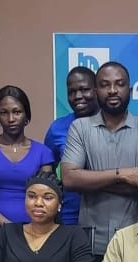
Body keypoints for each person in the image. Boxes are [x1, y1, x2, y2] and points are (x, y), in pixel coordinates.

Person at [61, 61, 138, 262]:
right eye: (105, 85)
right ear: (97, 90)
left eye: (119, 84)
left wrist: (91, 181)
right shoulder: (80, 128)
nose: (113, 90)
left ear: (131, 90)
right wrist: (123, 175)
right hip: (90, 242)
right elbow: (70, 179)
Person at [0, 85, 55, 252]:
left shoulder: (43, 153)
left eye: (17, 112)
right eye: (4, 113)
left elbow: (46, 198)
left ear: (27, 116)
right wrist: (9, 227)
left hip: (34, 232)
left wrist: (28, 230)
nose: (11, 118)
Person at [44, 67, 100, 225]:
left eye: (84, 89)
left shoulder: (110, 124)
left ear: (96, 90)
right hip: (70, 216)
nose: (78, 96)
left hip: (106, 213)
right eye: (72, 91)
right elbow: (48, 172)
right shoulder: (57, 129)